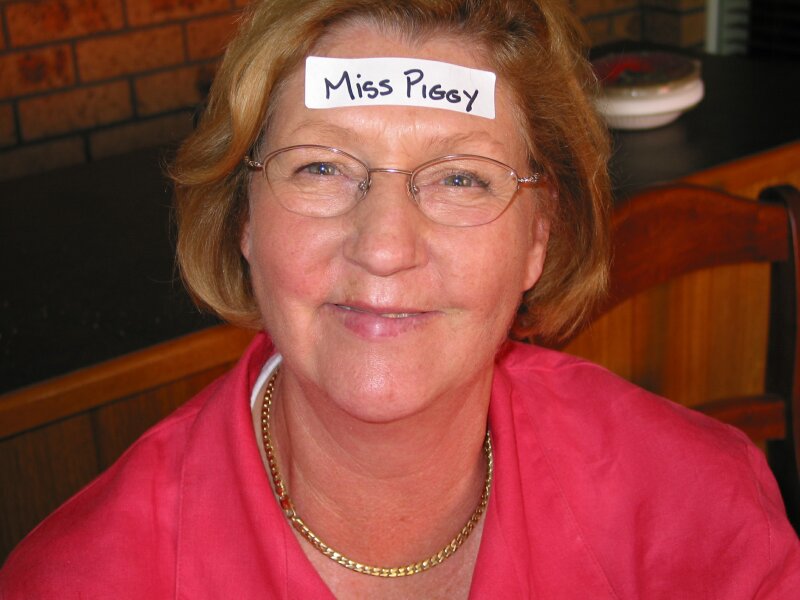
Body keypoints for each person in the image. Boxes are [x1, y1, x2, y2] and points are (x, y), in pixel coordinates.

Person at [2, 0, 799, 597]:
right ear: (244, 217)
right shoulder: (79, 581)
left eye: (461, 178)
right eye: (321, 167)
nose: (384, 247)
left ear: (538, 236)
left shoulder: (706, 512)